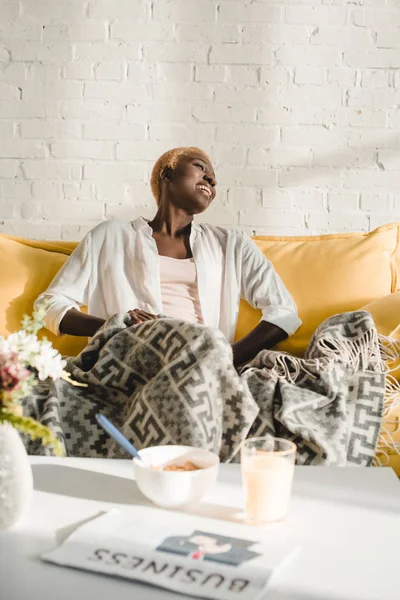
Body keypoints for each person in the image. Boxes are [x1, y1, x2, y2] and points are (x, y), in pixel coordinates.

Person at [35, 147, 301, 368]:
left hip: (202, 365)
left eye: (214, 179)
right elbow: (48, 306)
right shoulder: (110, 236)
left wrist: (225, 359)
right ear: (167, 174)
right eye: (200, 167)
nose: (211, 179)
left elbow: (284, 312)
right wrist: (114, 326)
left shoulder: (231, 244)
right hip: (129, 362)